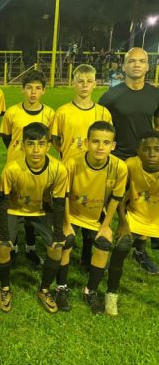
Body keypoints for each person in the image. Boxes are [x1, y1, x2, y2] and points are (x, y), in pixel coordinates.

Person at [0, 122, 68, 313]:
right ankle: (5, 288)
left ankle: (44, 290)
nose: (36, 150)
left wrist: (58, 233)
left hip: (41, 211)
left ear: (48, 146)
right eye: (30, 144)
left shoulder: (59, 169)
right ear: (22, 145)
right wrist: (3, 233)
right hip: (14, 209)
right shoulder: (12, 169)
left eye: (41, 144)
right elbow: (2, 201)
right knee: (3, 246)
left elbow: (59, 202)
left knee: (57, 247)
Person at [99, 47, 159, 273]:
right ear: (124, 66)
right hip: (118, 158)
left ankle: (140, 249)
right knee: (110, 202)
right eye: (132, 61)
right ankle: (102, 243)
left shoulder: (155, 94)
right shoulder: (110, 96)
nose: (136, 65)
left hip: (145, 160)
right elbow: (102, 128)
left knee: (144, 203)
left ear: (147, 66)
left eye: (141, 61)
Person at [51, 63, 112, 267]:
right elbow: (55, 139)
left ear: (95, 84)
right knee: (67, 209)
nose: (85, 85)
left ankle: (86, 255)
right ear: (73, 83)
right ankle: (63, 248)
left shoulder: (103, 113)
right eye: (80, 81)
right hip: (70, 171)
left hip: (95, 172)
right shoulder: (63, 112)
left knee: (92, 209)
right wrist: (66, 155)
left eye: (89, 81)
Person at [65, 121, 127, 315]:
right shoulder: (72, 163)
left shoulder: (119, 167)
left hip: (96, 215)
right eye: (95, 141)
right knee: (65, 240)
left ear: (113, 146)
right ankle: (61, 287)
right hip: (72, 213)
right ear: (86, 142)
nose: (100, 147)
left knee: (103, 244)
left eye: (106, 143)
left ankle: (90, 290)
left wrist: (106, 226)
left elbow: (116, 199)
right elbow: (63, 196)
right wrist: (66, 223)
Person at [0, 69, 55, 267]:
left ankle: (31, 248)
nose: (33, 92)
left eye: (38, 88)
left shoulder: (50, 114)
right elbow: (6, 137)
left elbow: (50, 140)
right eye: (29, 88)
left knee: (33, 208)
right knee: (14, 208)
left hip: (39, 171)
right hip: (15, 169)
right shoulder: (12, 112)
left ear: (44, 91)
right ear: (22, 89)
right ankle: (12, 247)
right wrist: (17, 155)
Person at [111, 131, 159, 315]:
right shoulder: (130, 165)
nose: (152, 154)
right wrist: (123, 223)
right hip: (135, 217)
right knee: (121, 246)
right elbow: (120, 197)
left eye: (157, 149)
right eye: (146, 149)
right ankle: (111, 294)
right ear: (138, 151)